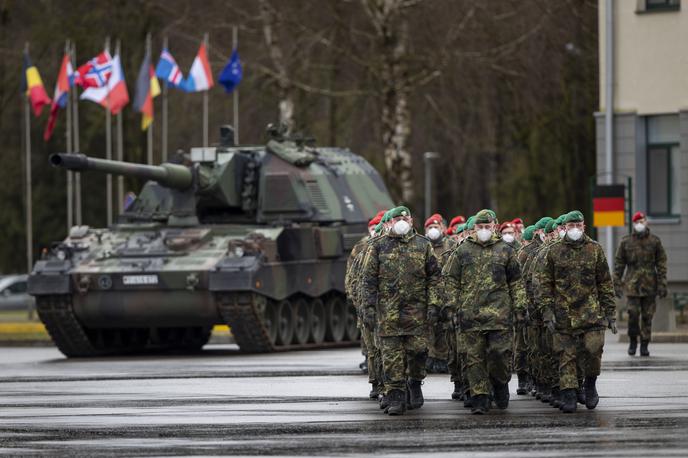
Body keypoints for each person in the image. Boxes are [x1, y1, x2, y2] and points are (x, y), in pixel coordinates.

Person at [443, 209, 526, 414]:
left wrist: (520, 307)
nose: (483, 231)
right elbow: (451, 280)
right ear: (474, 229)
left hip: (499, 315)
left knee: (499, 355)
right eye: (479, 227)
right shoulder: (462, 251)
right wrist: (451, 306)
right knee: (474, 358)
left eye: (487, 227)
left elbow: (516, 281)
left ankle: (499, 383)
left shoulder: (505, 250)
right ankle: (480, 396)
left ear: (494, 227)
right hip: (470, 316)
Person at [361, 206, 441, 415]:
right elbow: (368, 280)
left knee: (418, 352)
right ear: (391, 221)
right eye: (397, 218)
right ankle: (396, 395)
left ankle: (414, 382)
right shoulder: (379, 246)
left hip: (416, 314)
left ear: (412, 221)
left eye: (405, 218)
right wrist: (368, 308)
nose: (401, 221)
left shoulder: (423, 245)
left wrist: (433, 305)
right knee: (391, 357)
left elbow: (434, 277)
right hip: (388, 315)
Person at [534, 210, 617, 413]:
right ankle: (569, 393)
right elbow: (544, 284)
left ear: (584, 227)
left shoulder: (595, 249)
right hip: (563, 314)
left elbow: (605, 282)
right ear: (565, 228)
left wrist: (610, 312)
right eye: (570, 226)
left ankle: (590, 384)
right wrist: (547, 312)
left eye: (578, 226)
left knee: (593, 350)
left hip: (591, 314)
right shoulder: (554, 251)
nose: (574, 230)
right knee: (566, 356)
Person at [613, 211, 668, 357]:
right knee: (632, 314)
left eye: (642, 221)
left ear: (646, 222)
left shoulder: (654, 241)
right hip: (632, 286)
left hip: (650, 285)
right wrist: (616, 283)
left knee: (647, 316)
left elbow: (661, 263)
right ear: (633, 224)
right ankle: (632, 341)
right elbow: (619, 264)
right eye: (637, 222)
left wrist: (663, 284)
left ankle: (644, 344)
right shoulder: (626, 242)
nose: (639, 224)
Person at [346, 210, 386, 397]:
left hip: (390, 309)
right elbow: (353, 279)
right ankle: (377, 383)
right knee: (373, 350)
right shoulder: (362, 249)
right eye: (372, 228)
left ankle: (394, 386)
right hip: (369, 307)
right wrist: (359, 303)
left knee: (388, 349)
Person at [424, 214, 456, 374]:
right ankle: (430, 356)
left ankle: (443, 357)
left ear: (442, 228)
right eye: (430, 228)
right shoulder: (423, 246)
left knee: (444, 327)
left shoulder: (450, 245)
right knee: (429, 325)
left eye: (436, 227)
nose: (433, 230)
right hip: (429, 294)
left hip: (447, 294)